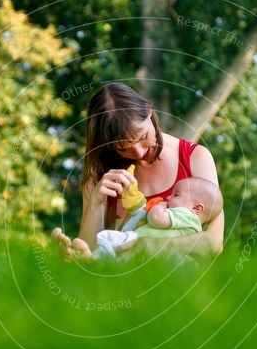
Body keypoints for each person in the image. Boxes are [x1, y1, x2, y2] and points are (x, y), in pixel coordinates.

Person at [52, 82, 224, 257]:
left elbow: (214, 243)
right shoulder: (99, 174)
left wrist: (151, 245)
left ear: (149, 111)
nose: (139, 153)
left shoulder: (195, 157)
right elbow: (91, 250)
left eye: (143, 137)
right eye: (123, 148)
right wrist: (96, 202)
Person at [74, 177, 221, 259]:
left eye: (176, 195)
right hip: (139, 248)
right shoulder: (183, 215)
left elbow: (156, 219)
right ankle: (91, 259)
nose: (168, 197)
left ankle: (92, 260)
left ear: (197, 208)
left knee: (112, 245)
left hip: (150, 253)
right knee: (113, 247)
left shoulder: (188, 217)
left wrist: (160, 206)